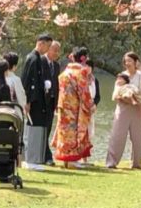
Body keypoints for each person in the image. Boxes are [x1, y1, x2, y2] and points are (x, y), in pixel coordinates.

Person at [106, 51, 141, 169]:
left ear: (136, 62)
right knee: (118, 135)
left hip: (137, 107)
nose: (127, 63)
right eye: (125, 61)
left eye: (130, 61)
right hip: (123, 107)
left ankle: (136, 163)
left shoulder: (140, 74)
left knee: (138, 137)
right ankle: (111, 162)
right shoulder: (122, 75)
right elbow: (116, 91)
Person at [52, 47, 94, 168]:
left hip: (62, 105)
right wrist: (89, 105)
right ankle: (71, 159)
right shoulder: (80, 72)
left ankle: (65, 159)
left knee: (64, 131)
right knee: (73, 131)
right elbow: (84, 92)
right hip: (74, 107)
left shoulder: (65, 72)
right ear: (83, 58)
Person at [20, 32, 53, 170]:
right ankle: (30, 159)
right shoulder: (32, 58)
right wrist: (27, 101)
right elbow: (27, 81)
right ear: (41, 43)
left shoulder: (38, 58)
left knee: (38, 127)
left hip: (38, 100)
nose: (48, 49)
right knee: (33, 127)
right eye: (48, 46)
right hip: (33, 101)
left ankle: (35, 158)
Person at [42, 40, 62, 166]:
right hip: (41, 102)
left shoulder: (56, 65)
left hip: (52, 102)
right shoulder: (40, 62)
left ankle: (45, 154)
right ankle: (45, 155)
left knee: (48, 128)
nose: (56, 53)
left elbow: (57, 84)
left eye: (57, 51)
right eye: (54, 50)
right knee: (41, 129)